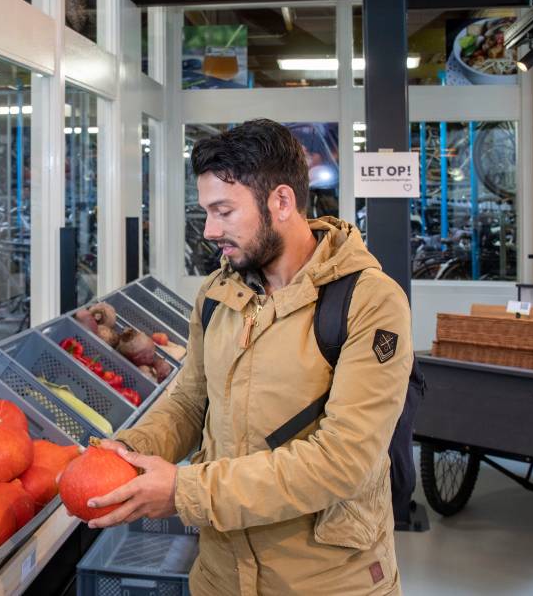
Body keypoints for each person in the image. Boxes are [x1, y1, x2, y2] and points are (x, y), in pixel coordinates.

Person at [82, 119, 412, 595]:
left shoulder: (368, 302)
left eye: (224, 212)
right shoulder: (218, 294)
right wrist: (133, 453)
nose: (210, 231)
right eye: (207, 212)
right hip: (220, 575)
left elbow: (344, 460)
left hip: (327, 582)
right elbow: (191, 404)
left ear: (281, 201)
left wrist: (183, 491)